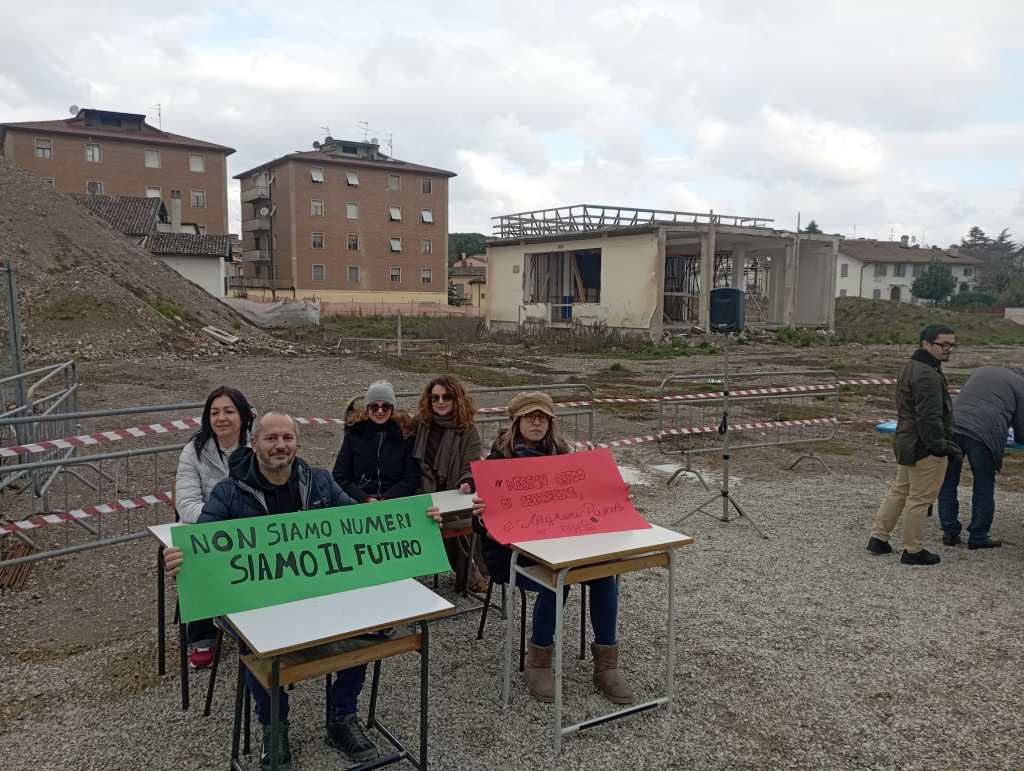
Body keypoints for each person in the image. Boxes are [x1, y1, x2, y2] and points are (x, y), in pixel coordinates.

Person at [166, 409, 430, 770]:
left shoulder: (319, 482)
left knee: (369, 626)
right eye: (271, 438)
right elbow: (202, 544)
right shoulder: (229, 493)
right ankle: (273, 724)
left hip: (317, 593)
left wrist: (420, 522)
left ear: (297, 443)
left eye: (287, 438)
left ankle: (341, 717)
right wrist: (182, 559)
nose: (280, 446)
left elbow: (364, 524)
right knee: (258, 645)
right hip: (257, 603)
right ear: (255, 443)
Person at [473, 391, 635, 705]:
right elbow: (478, 527)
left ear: (550, 422)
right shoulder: (497, 464)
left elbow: (587, 506)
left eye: (543, 417)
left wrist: (614, 497)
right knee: (556, 583)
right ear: (516, 422)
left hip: (564, 548)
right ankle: (538, 661)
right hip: (511, 556)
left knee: (604, 576)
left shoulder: (566, 459)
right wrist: (482, 516)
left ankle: (607, 665)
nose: (536, 421)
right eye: (530, 416)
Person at [174, 385, 254, 669]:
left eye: (229, 411)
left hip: (245, 528)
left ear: (243, 416)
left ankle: (253, 621)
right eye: (214, 412)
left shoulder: (256, 449)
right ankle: (201, 634)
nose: (221, 418)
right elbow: (185, 503)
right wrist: (222, 522)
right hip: (204, 527)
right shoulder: (192, 451)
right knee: (193, 560)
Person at [868, 324, 961, 566]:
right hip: (923, 445)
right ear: (926, 344)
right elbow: (929, 417)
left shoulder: (912, 367)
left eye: (952, 344)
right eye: (944, 344)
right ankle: (913, 549)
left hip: (907, 440)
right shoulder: (928, 374)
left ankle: (879, 537)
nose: (948, 349)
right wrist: (940, 446)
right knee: (920, 499)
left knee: (900, 490)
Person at [411, 375, 488, 592]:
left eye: (447, 397)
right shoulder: (421, 424)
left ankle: (471, 575)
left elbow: (471, 465)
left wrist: (467, 481)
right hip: (423, 493)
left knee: (451, 523)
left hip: (453, 495)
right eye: (435, 398)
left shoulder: (467, 430)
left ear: (457, 399)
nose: (440, 402)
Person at [937, 366, 1024, 549]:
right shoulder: (1021, 385)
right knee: (984, 484)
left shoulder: (982, 370)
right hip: (984, 434)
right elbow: (1021, 428)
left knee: (948, 482)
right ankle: (978, 536)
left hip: (952, 427)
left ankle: (950, 532)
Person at [332, 381, 420, 503]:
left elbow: (411, 477)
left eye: (385, 406)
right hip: (360, 500)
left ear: (392, 408)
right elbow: (340, 475)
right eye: (374, 406)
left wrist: (387, 499)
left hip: (395, 500)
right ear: (367, 408)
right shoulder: (354, 434)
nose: (380, 411)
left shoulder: (404, 435)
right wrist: (364, 498)